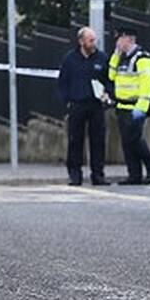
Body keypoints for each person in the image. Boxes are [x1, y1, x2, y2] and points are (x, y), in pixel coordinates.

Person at [56, 27, 112, 186]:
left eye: (95, 40)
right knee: (75, 141)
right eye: (90, 40)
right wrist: (66, 101)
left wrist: (108, 93)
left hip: (96, 104)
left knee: (98, 141)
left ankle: (98, 175)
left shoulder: (102, 58)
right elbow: (62, 82)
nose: (94, 43)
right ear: (81, 41)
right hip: (77, 104)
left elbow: (109, 79)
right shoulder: (70, 59)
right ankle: (75, 175)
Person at [109, 27, 150, 185]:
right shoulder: (122, 57)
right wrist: (115, 56)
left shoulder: (143, 58)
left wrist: (142, 107)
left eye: (120, 39)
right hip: (122, 106)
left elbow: (147, 83)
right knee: (127, 142)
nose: (117, 42)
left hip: (135, 107)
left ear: (129, 39)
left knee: (134, 140)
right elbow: (111, 75)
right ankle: (134, 175)